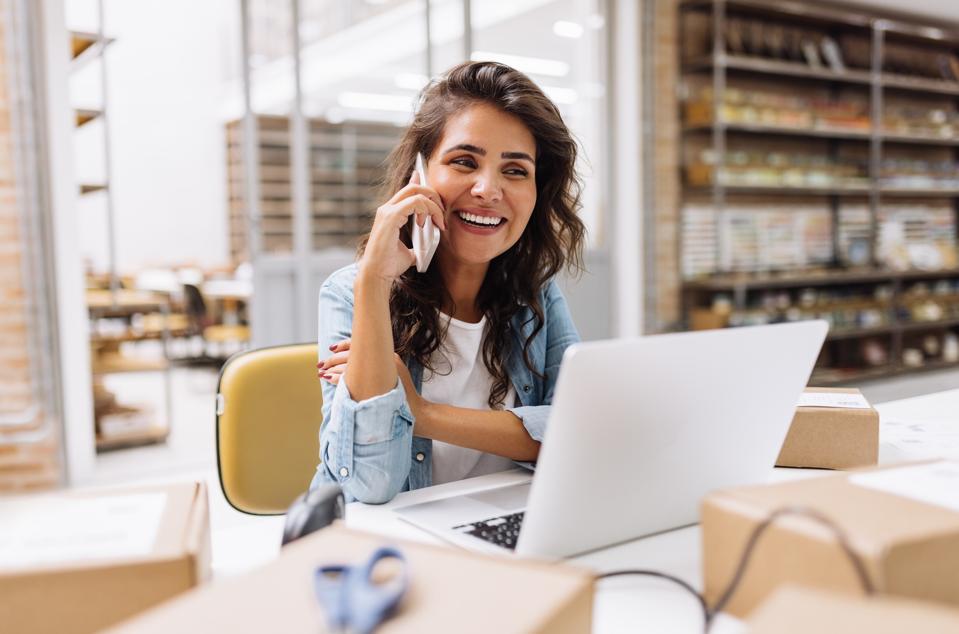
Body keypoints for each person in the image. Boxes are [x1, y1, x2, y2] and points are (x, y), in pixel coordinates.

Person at [311, 61, 586, 504]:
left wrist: (421, 413)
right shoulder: (350, 292)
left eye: (515, 171)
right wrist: (374, 281)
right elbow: (368, 484)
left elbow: (575, 435)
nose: (487, 189)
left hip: (500, 525)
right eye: (464, 161)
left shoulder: (534, 294)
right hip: (391, 544)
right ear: (418, 176)